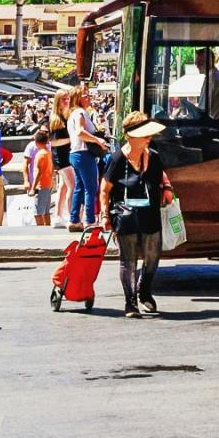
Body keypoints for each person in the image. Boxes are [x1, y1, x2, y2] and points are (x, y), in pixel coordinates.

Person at [100, 112, 174, 318]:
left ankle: (145, 291)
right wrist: (105, 216)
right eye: (144, 134)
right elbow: (105, 189)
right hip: (125, 214)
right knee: (128, 260)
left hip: (150, 212)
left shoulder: (154, 156)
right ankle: (130, 303)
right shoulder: (117, 159)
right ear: (131, 136)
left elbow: (162, 175)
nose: (149, 138)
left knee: (153, 256)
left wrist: (167, 188)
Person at [67, 88, 110, 232]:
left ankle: (74, 220)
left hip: (75, 154)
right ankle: (89, 220)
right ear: (79, 98)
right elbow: (80, 132)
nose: (89, 97)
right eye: (86, 95)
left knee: (79, 188)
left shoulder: (72, 114)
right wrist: (97, 139)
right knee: (91, 188)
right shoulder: (80, 113)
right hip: (84, 154)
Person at [47, 93, 73, 228]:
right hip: (62, 158)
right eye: (63, 99)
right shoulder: (55, 119)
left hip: (66, 156)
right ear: (57, 101)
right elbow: (54, 142)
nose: (66, 101)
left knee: (63, 186)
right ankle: (71, 215)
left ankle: (58, 215)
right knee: (72, 186)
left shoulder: (65, 116)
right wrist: (72, 139)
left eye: (68, 98)